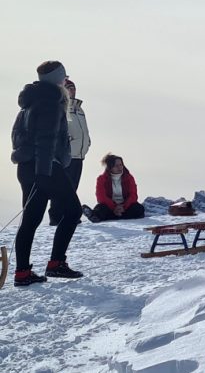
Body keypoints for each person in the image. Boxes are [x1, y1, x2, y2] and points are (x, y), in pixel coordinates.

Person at [10, 60, 84, 287]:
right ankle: (56, 263)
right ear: (57, 79)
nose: (65, 81)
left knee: (31, 219)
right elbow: (46, 140)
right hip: (45, 167)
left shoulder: (30, 101)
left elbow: (17, 135)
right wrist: (44, 171)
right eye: (64, 77)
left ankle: (22, 272)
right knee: (73, 211)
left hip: (27, 166)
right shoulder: (51, 101)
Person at [49, 77, 90, 226]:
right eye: (69, 88)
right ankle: (56, 216)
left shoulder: (79, 109)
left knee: (72, 187)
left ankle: (68, 215)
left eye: (73, 88)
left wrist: (87, 143)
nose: (72, 90)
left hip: (79, 155)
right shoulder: (59, 107)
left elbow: (83, 130)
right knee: (61, 187)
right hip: (66, 155)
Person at [82, 153, 145, 222]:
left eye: (121, 165)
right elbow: (101, 197)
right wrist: (114, 207)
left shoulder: (129, 178)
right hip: (109, 207)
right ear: (110, 167)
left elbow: (133, 195)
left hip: (126, 207)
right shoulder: (101, 179)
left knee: (138, 208)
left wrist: (123, 207)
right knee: (101, 208)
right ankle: (96, 216)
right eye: (116, 166)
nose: (119, 167)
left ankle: (104, 216)